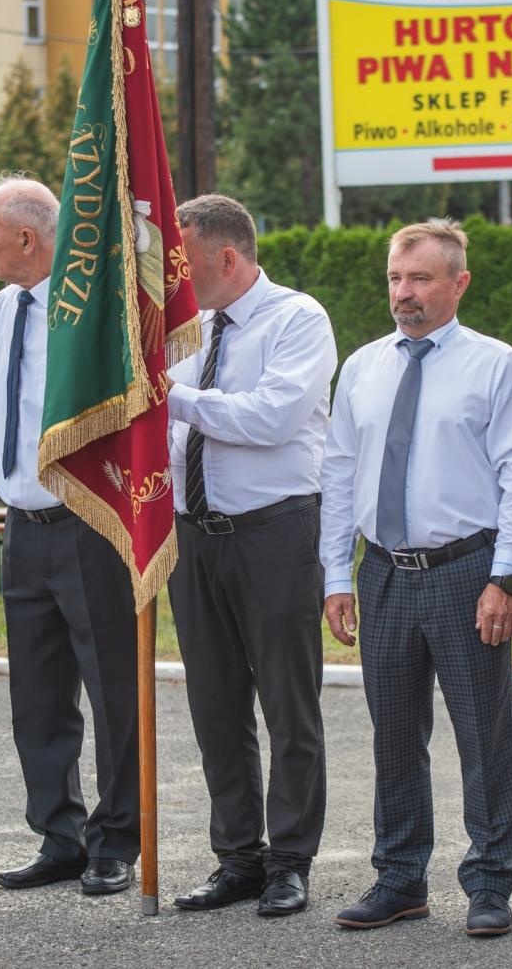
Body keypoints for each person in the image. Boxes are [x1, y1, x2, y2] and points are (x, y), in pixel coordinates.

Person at [320, 218, 512, 938]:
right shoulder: (362, 367)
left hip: (466, 572)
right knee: (393, 734)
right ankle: (399, 878)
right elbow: (338, 474)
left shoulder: (495, 364)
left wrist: (506, 577)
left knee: (483, 734)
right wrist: (336, 575)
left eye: (421, 279)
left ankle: (488, 883)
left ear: (459, 283)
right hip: (384, 572)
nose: (404, 293)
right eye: (396, 278)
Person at [165, 194, 336, 918]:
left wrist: (170, 399)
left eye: (184, 262)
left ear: (225, 258)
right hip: (194, 535)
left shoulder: (298, 318)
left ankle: (291, 860)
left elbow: (271, 418)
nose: (174, 277)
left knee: (287, 704)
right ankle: (238, 856)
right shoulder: (186, 331)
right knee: (215, 705)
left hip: (274, 533)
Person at [0, 175, 139, 897]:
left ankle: (118, 840)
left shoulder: (91, 310)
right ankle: (59, 835)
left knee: (111, 687)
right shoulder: (1, 309)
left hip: (86, 521)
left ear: (27, 238)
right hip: (23, 523)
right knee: (36, 696)